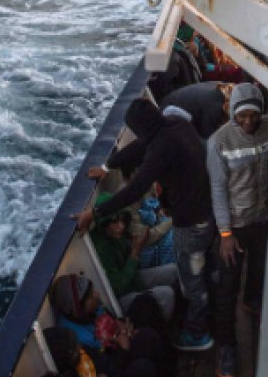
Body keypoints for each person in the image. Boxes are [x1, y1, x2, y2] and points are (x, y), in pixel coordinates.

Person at [77, 99, 216, 352]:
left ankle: (199, 333)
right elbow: (141, 146)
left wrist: (96, 212)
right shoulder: (175, 124)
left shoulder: (161, 148)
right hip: (207, 212)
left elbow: (136, 188)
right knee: (197, 271)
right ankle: (203, 311)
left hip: (192, 223)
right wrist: (109, 166)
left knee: (191, 279)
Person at [205, 83, 268, 377]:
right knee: (227, 289)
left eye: (253, 116)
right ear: (232, 115)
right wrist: (224, 233)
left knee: (259, 269)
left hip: (263, 218)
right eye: (242, 117)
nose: (248, 123)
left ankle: (254, 300)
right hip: (234, 227)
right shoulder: (218, 143)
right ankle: (227, 346)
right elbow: (218, 188)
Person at [88, 194, 178, 322]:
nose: (121, 226)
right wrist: (135, 254)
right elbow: (118, 288)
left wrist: (136, 249)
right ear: (104, 224)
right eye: (114, 223)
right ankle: (162, 330)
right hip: (120, 298)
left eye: (121, 220)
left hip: (133, 280)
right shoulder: (102, 248)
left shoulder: (117, 236)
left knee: (173, 271)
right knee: (166, 294)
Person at [158, 81, 232, 140]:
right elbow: (208, 136)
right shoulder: (214, 106)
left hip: (172, 103)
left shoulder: (221, 89)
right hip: (171, 112)